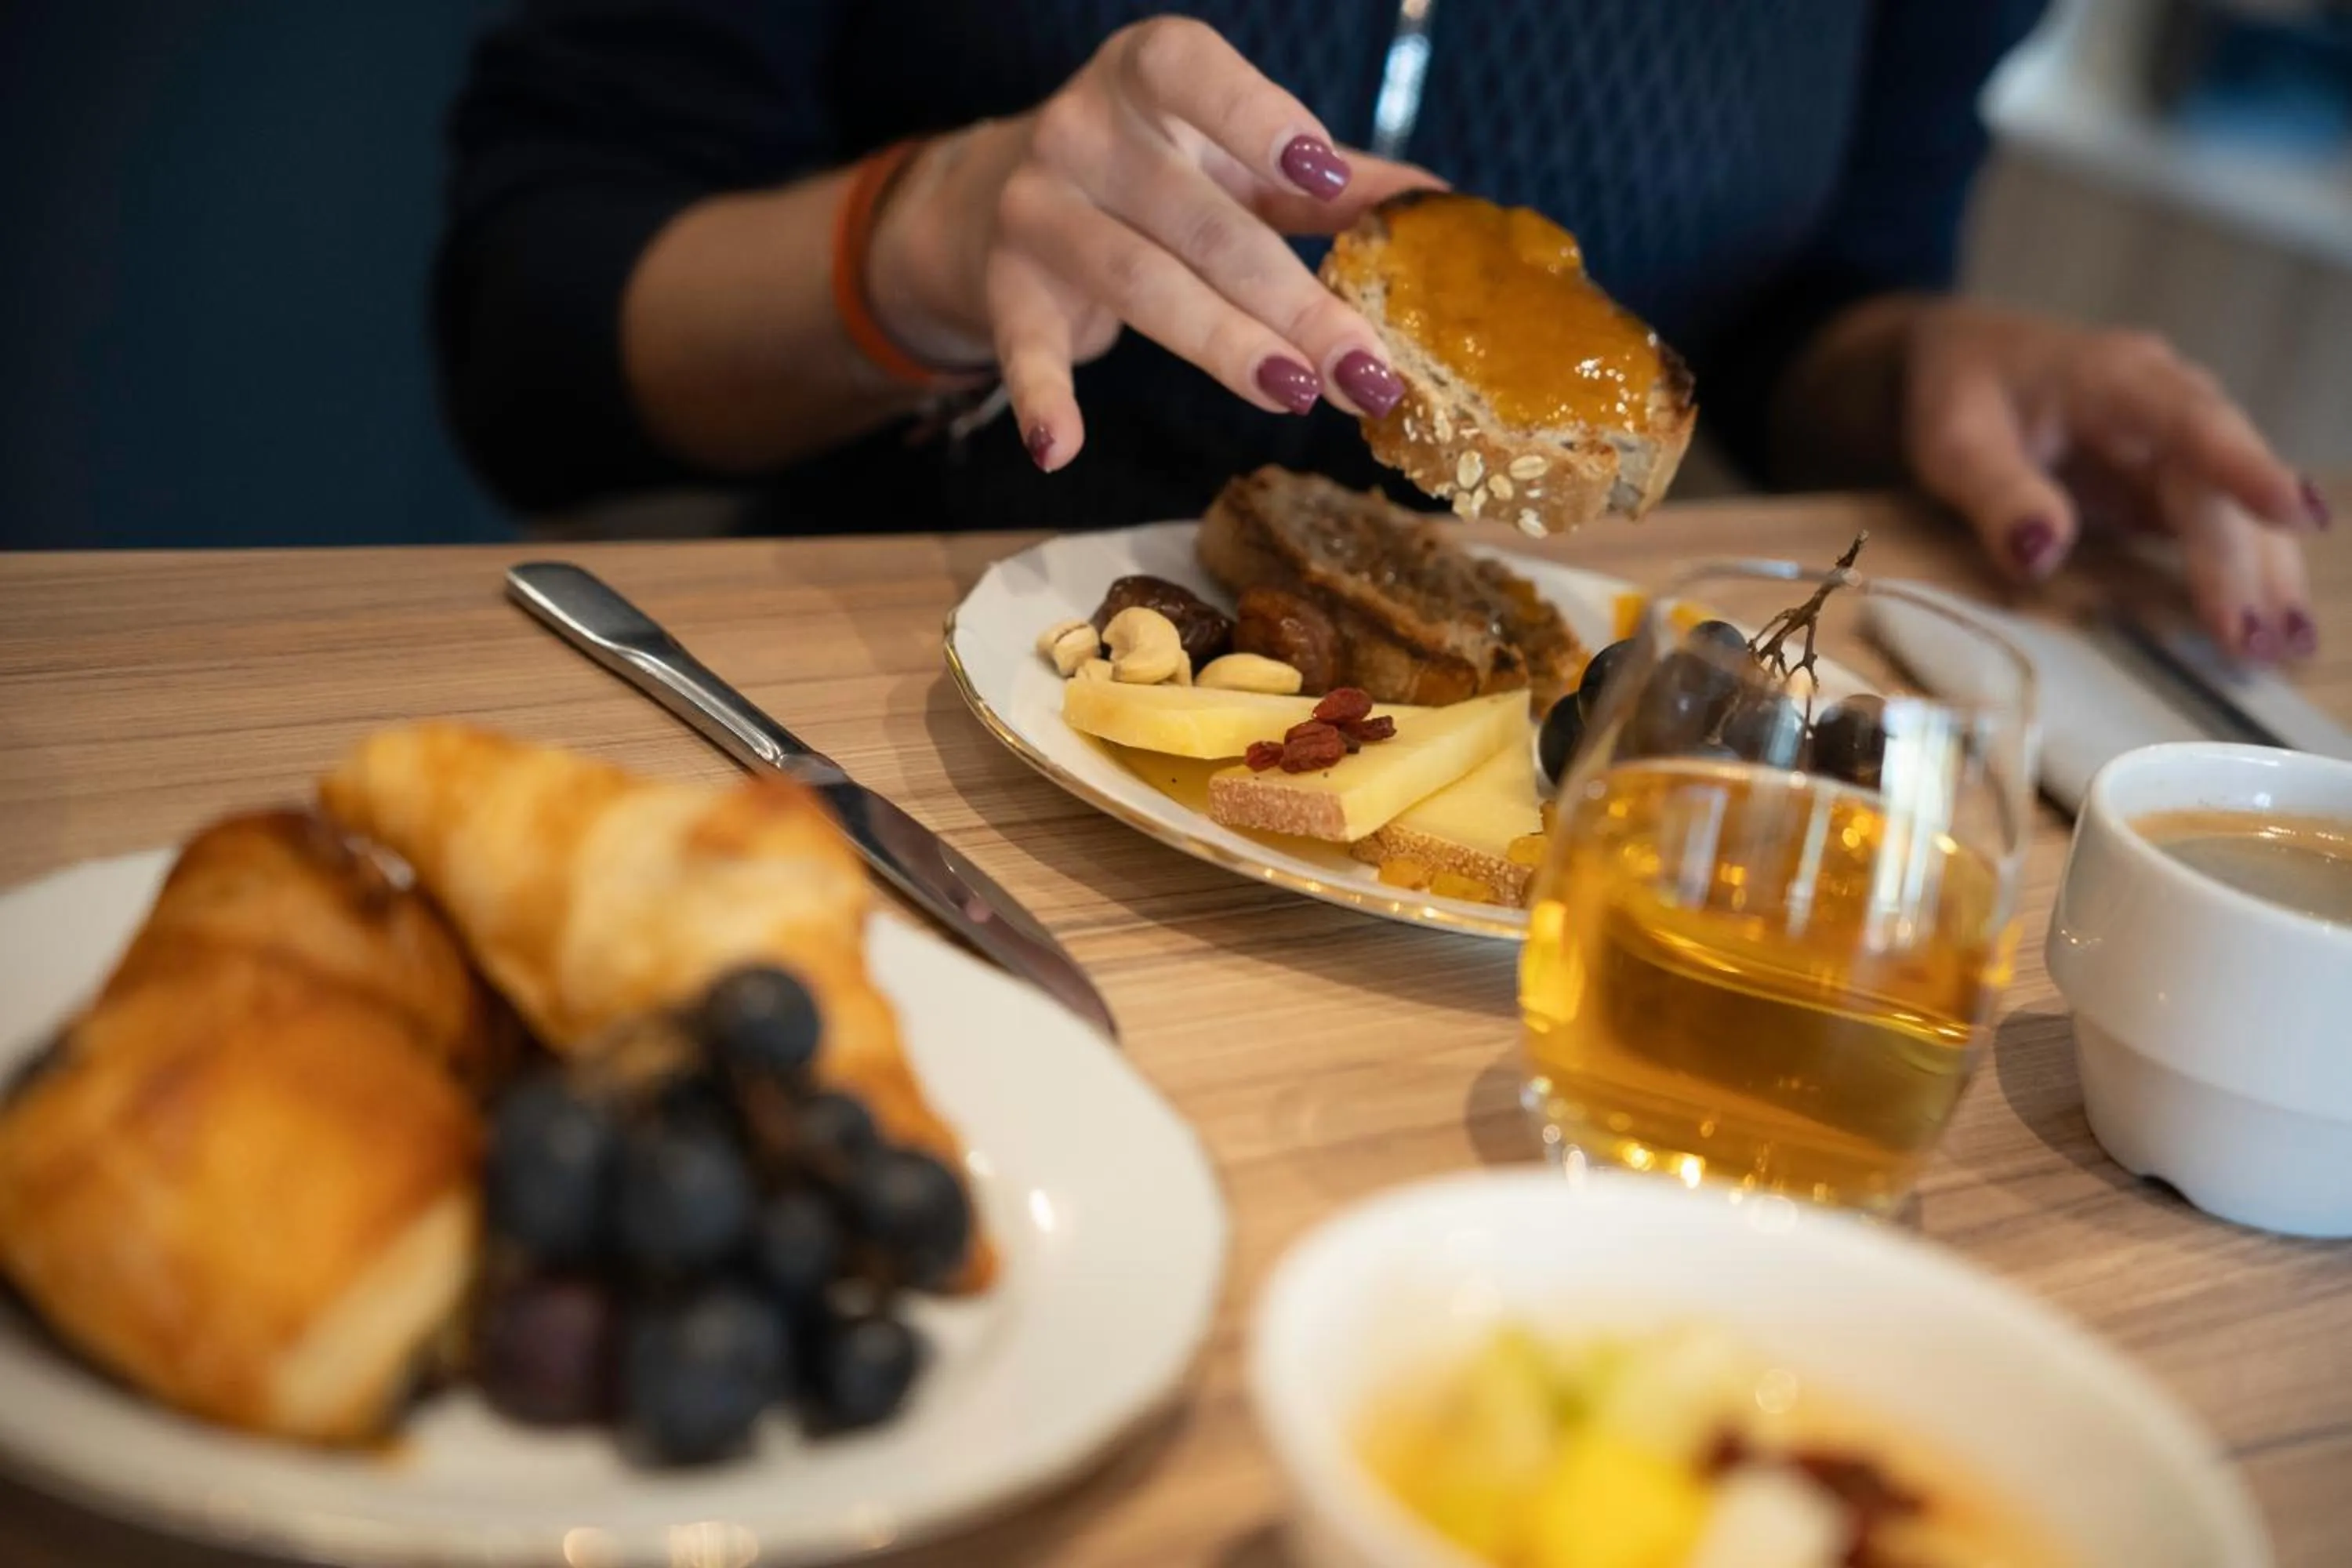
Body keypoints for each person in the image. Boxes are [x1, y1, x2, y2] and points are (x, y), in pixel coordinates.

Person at [434, 1, 2329, 662]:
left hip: (1467, 890)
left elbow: (1800, 297)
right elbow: (529, 324)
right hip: (867, 714)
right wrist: (919, 237)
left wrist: (1918, 365)